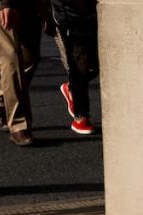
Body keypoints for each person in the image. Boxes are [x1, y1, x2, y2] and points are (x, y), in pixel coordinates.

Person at [0, 0, 45, 146]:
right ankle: (19, 125)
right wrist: (4, 4)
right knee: (11, 58)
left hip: (29, 7)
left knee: (29, 58)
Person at [51, 0, 97, 134]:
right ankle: (80, 117)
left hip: (93, 13)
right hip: (67, 16)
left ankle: (72, 88)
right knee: (79, 64)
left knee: (98, 64)